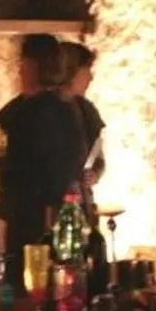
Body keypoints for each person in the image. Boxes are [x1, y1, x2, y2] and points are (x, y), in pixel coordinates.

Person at [0, 33, 83, 252]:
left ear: (33, 65)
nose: (18, 70)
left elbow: (36, 166)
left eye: (22, 63)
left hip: (34, 215)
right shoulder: (47, 106)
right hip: (34, 212)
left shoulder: (42, 110)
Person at [57, 42, 106, 220]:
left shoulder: (87, 110)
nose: (90, 77)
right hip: (54, 205)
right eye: (86, 70)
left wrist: (94, 174)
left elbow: (97, 156)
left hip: (81, 204)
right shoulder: (46, 109)